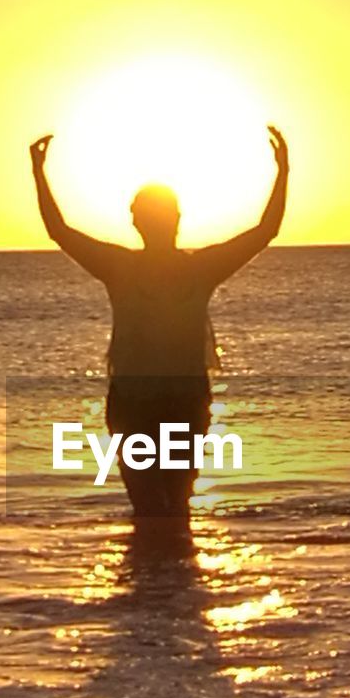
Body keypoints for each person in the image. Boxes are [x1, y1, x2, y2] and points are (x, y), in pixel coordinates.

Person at [30, 126, 289, 524]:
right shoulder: (162, 268)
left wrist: (38, 171)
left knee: (158, 508)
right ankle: (167, 583)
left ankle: (159, 583)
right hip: (154, 400)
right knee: (167, 507)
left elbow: (59, 231)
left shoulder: (172, 268)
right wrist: (282, 170)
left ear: (139, 221)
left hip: (167, 400)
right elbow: (59, 232)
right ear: (172, 219)